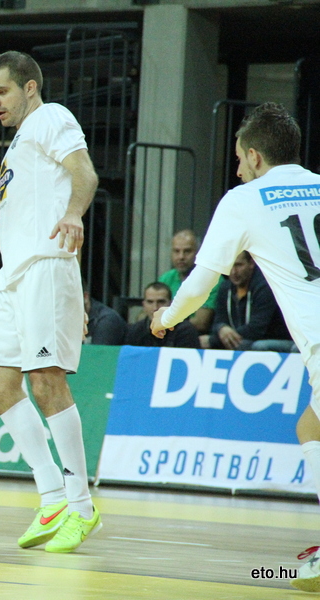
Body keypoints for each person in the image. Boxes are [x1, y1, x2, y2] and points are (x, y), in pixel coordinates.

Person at [147, 103, 320, 591]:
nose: (238, 170)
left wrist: (166, 317)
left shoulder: (244, 199)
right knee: (310, 426)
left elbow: (201, 283)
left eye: (240, 160)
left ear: (256, 156)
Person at [0, 51, 101, 553]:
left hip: (46, 267)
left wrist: (74, 214)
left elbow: (85, 174)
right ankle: (51, 496)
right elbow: (12, 226)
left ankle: (81, 505)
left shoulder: (51, 116)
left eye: (1, 91)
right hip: (14, 275)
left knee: (46, 382)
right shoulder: (17, 143)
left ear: (29, 87)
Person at [208, 251, 294, 352]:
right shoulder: (225, 288)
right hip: (243, 339)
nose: (234, 272)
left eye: (239, 265)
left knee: (254, 346)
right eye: (230, 266)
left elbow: (256, 329)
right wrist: (222, 328)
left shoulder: (265, 286)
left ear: (251, 263)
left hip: (274, 339)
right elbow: (217, 321)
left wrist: (216, 339)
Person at [158, 229, 220, 335]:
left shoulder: (211, 279)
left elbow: (200, 323)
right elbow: (148, 313)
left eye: (187, 251)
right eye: (176, 251)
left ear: (198, 253)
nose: (181, 257)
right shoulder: (166, 278)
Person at [125, 282, 199, 348]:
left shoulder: (185, 331)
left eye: (161, 302)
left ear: (171, 304)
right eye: (150, 302)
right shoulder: (135, 331)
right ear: (144, 305)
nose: (155, 308)